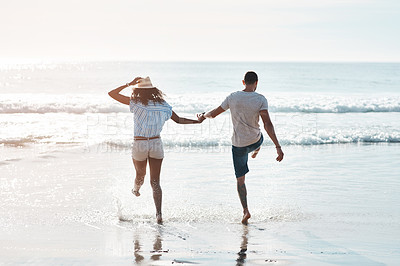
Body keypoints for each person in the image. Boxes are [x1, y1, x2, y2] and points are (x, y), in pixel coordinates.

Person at [108, 76, 202, 224]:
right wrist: (197, 121)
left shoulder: (136, 103)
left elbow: (112, 94)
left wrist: (128, 84)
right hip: (156, 143)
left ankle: (136, 189)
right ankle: (158, 214)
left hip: (140, 143)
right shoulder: (163, 104)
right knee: (155, 182)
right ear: (153, 90)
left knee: (140, 174)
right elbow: (179, 120)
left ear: (138, 91)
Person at [197, 71, 284, 225]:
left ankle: (245, 211)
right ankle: (257, 150)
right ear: (256, 82)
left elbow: (214, 114)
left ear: (243, 82)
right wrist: (277, 146)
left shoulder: (233, 97)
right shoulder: (261, 99)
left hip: (238, 145)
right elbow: (267, 124)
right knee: (260, 136)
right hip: (255, 140)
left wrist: (203, 116)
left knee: (240, 181)